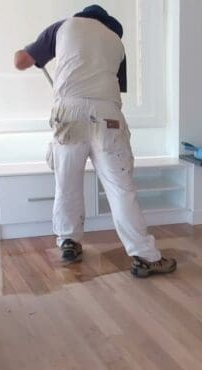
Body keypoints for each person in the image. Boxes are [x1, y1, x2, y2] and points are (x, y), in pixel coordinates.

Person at [14, 5, 176, 278]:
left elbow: (20, 61)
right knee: (121, 188)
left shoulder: (65, 26)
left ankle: (69, 242)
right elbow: (114, 85)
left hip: (68, 113)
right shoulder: (117, 43)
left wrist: (41, 56)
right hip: (108, 117)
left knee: (67, 182)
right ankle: (145, 257)